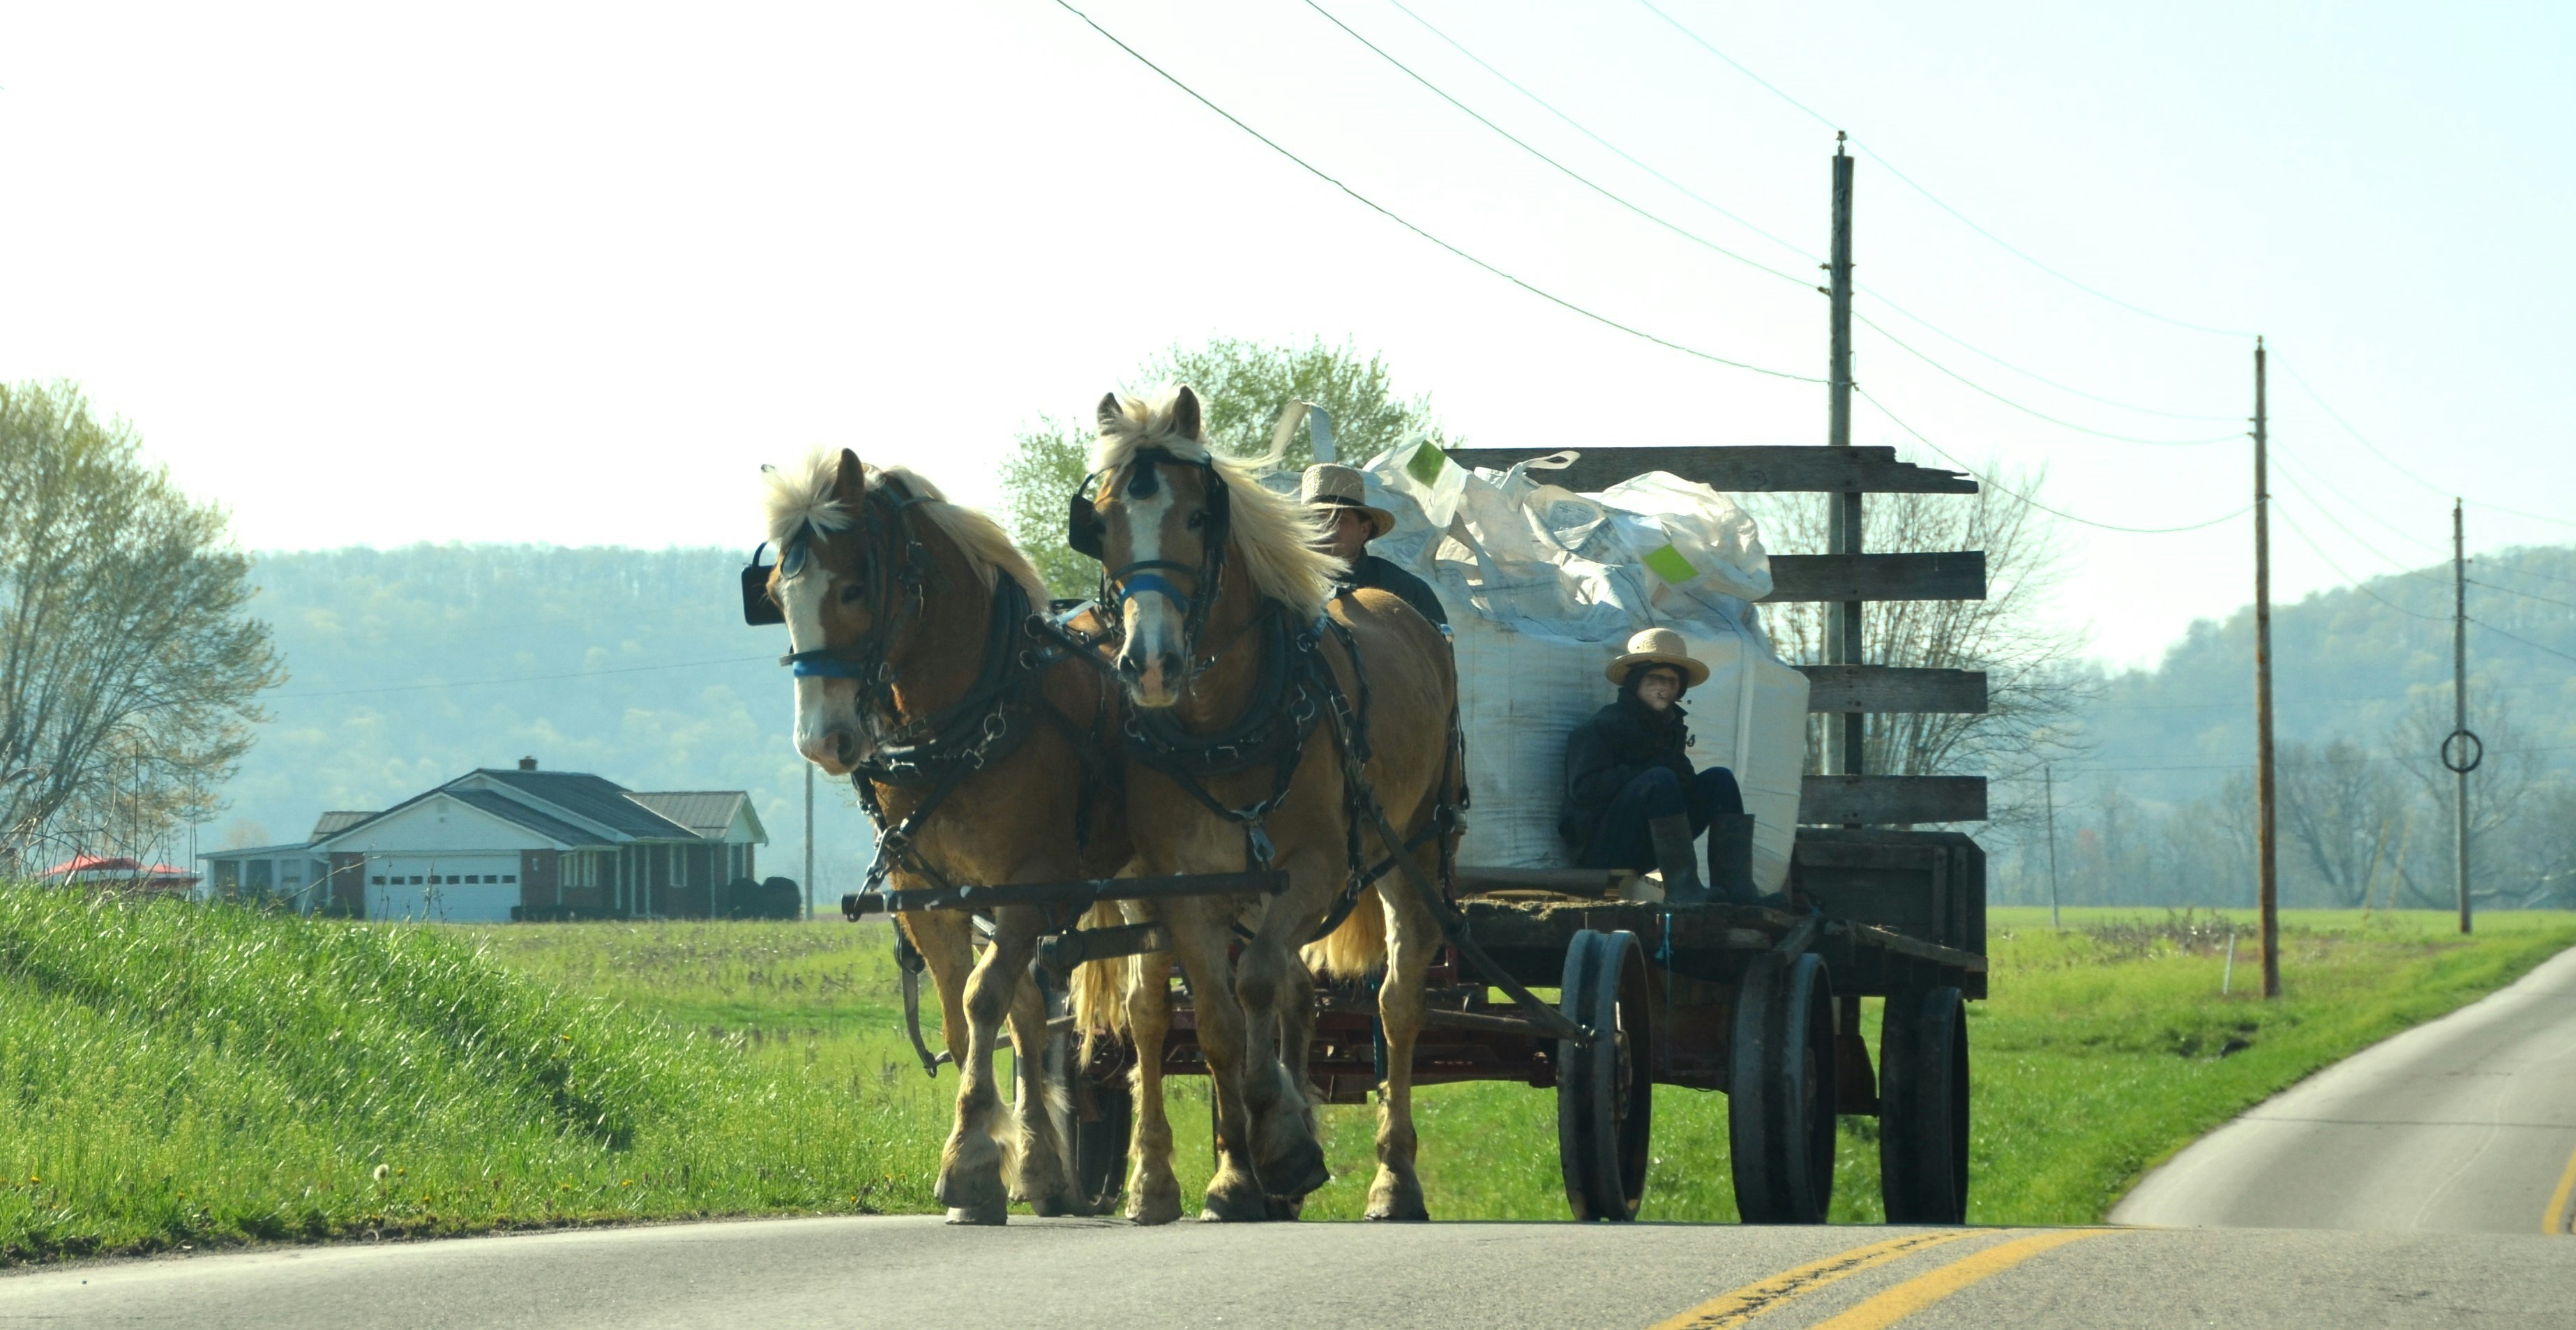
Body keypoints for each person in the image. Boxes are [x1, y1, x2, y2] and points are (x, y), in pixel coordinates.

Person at [1558, 628, 1747, 905]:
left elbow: (1669, 797)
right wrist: (1647, 771)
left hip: (1649, 843)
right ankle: (1683, 889)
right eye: (1655, 679)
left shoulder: (1671, 728)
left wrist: (1683, 779)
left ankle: (1737, 888)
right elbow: (1585, 790)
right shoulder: (1603, 725)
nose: (1664, 687)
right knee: (1659, 778)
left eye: (1672, 682)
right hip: (1601, 849)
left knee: (1720, 779)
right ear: (1635, 681)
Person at [1300, 463, 1447, 630]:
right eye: (1314, 520)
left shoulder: (1405, 590)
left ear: (1364, 529)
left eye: (1338, 520)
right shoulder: (1284, 587)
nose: (1324, 529)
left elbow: (1436, 654)